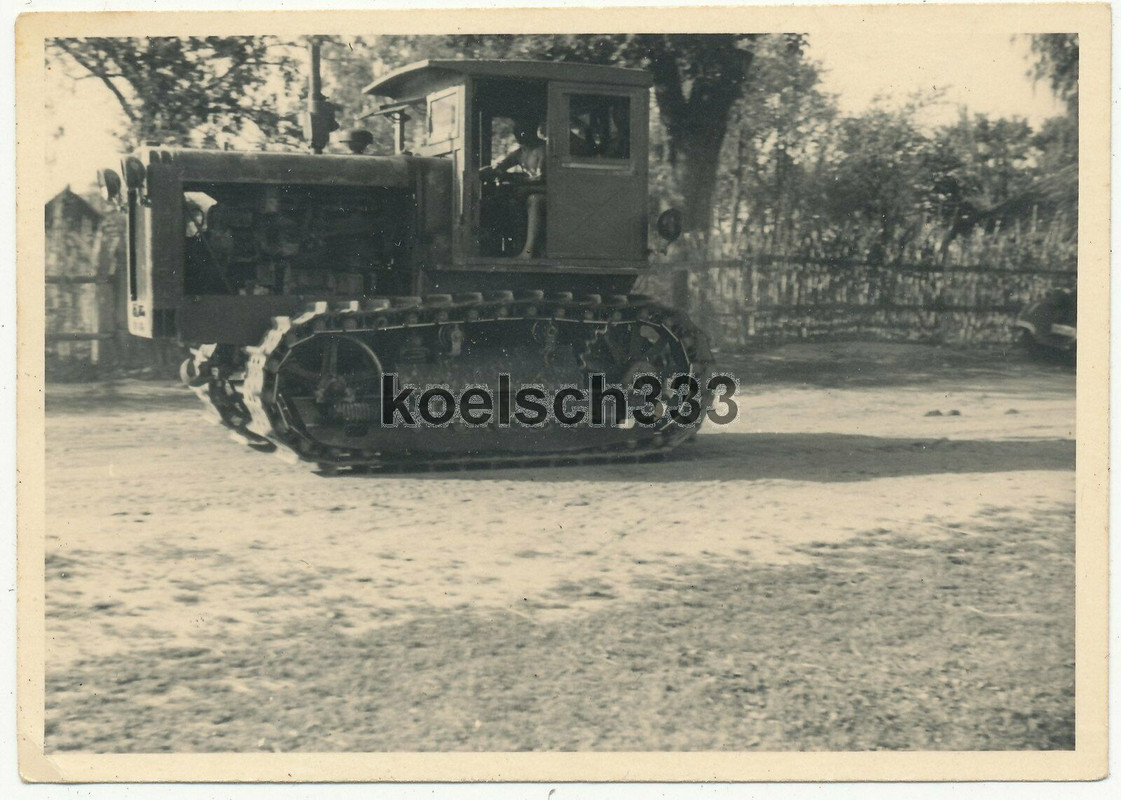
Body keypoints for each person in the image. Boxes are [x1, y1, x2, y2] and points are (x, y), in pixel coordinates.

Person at [481, 117, 547, 258]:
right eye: (516, 132)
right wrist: (490, 171)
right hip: (528, 189)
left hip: (547, 190)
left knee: (533, 200)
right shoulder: (520, 152)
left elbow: (541, 178)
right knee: (507, 201)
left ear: (532, 131)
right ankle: (512, 248)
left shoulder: (542, 149)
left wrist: (515, 178)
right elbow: (501, 166)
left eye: (522, 132)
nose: (518, 136)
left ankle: (529, 251)